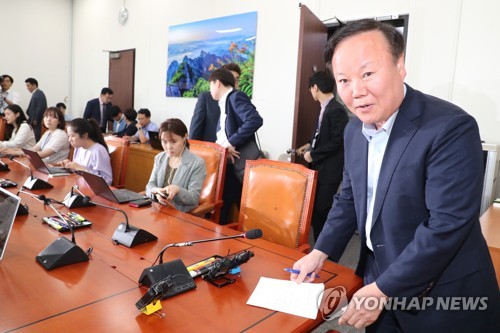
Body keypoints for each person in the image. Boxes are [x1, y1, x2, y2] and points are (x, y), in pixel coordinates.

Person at [291, 19, 499, 332]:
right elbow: (349, 198)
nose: (357, 91)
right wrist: (320, 251)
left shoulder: (449, 127)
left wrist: (384, 288)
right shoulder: (354, 131)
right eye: (344, 80)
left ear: (399, 65)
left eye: (368, 74)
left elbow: (446, 225)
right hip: (378, 280)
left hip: (441, 296)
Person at [295, 71, 349, 241]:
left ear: (315, 87)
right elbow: (321, 135)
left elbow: (337, 141)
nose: (311, 92)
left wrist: (314, 154)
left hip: (330, 169)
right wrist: (309, 145)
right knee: (316, 208)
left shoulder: (336, 109)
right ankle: (319, 242)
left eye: (311, 89)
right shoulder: (325, 108)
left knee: (322, 208)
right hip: (320, 167)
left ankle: (324, 244)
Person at [208, 68, 263, 224]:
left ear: (217, 83)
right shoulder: (225, 101)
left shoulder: (235, 96)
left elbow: (255, 120)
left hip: (237, 162)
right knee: (228, 205)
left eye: (210, 85)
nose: (210, 89)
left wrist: (231, 142)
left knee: (233, 206)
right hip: (230, 161)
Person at [145, 118, 206, 212]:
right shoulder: (159, 158)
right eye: (164, 141)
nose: (168, 147)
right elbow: (150, 185)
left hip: (180, 215)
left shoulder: (197, 163)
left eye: (173, 141)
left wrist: (178, 190)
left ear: (185, 137)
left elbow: (194, 198)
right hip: (157, 211)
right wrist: (155, 192)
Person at [189, 63, 242, 142]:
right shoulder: (206, 98)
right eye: (230, 78)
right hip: (210, 150)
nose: (233, 82)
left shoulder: (241, 101)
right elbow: (195, 130)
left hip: (233, 151)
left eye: (236, 79)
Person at [4, 107, 70, 164]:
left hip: (54, 168)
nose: (48, 119)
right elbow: (34, 149)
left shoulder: (61, 135)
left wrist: (18, 153)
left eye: (53, 117)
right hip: (43, 165)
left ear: (59, 121)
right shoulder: (47, 133)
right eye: (46, 116)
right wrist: (15, 151)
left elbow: (43, 154)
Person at [58, 118, 112, 185]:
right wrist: (69, 166)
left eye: (72, 136)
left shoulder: (98, 151)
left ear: (84, 135)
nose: (69, 140)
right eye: (68, 136)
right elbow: (77, 170)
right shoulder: (78, 148)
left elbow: (107, 181)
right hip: (79, 185)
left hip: (92, 190)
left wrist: (81, 169)